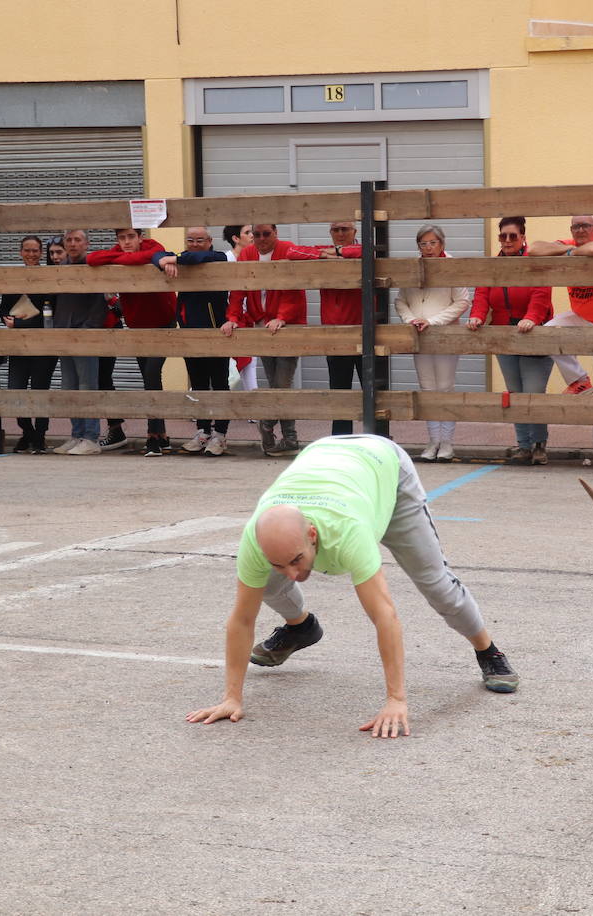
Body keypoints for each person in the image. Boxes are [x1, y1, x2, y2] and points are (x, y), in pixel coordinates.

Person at [185, 434, 520, 738]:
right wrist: (231, 697)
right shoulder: (255, 539)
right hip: (326, 458)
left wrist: (396, 699)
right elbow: (242, 618)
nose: (291, 572)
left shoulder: (349, 534)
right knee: (265, 584)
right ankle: (300, 628)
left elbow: (384, 615)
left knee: (436, 584)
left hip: (382, 466)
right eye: (279, 563)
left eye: (296, 560)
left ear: (313, 535)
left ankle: (488, 650)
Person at [527, 216, 593, 464]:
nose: (581, 230)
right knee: (550, 331)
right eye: (576, 226)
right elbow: (534, 249)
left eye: (586, 225)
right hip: (582, 316)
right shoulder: (569, 243)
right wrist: (569, 248)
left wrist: (567, 252)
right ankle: (580, 381)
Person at [224, 223, 317, 457]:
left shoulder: (287, 249)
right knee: (276, 381)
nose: (262, 239)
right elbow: (239, 289)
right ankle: (289, 439)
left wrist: (282, 317)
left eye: (267, 234)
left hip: (288, 325)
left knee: (282, 382)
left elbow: (293, 290)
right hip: (261, 324)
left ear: (276, 233)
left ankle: (266, 424)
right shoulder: (247, 254)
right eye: (257, 235)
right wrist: (233, 317)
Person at [466, 216, 554, 465]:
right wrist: (476, 316)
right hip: (503, 335)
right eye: (503, 236)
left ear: (523, 238)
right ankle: (523, 445)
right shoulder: (493, 266)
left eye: (512, 236)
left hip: (532, 335)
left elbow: (541, 294)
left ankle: (539, 444)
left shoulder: (535, 263)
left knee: (533, 393)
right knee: (515, 393)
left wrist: (531, 318)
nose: (507, 241)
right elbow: (482, 294)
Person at [87, 228, 176, 456]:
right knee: (148, 377)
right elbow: (92, 258)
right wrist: (125, 258)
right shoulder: (118, 251)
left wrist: (125, 259)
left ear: (140, 238)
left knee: (152, 375)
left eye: (130, 237)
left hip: (162, 323)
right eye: (121, 238)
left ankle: (153, 436)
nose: (126, 242)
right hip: (137, 325)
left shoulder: (153, 246)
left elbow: (156, 253)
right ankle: (163, 435)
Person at [395, 225, 473, 462]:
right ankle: (433, 440)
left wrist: (432, 321)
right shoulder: (412, 267)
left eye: (433, 243)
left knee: (445, 388)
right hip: (419, 335)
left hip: (445, 336)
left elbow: (462, 301)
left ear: (442, 244)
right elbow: (401, 300)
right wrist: (412, 321)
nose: (428, 248)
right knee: (427, 389)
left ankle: (447, 442)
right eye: (423, 244)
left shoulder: (452, 266)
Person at [154, 227, 233, 457]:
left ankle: (220, 434)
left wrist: (175, 259)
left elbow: (201, 257)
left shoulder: (218, 257)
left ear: (210, 241)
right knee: (197, 384)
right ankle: (203, 431)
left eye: (200, 240)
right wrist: (165, 260)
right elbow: (155, 256)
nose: (195, 244)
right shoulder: (181, 258)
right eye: (190, 240)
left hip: (215, 334)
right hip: (189, 334)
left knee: (219, 384)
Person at [51, 229, 109, 456]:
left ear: (87, 243)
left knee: (87, 386)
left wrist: (89, 328)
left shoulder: (93, 267)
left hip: (85, 335)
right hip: (63, 333)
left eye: (77, 240)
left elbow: (100, 303)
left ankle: (91, 437)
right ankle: (76, 435)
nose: (73, 244)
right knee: (69, 387)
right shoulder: (61, 268)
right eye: (69, 240)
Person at [0, 235, 56, 454]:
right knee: (16, 391)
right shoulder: (13, 278)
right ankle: (27, 432)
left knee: (40, 392)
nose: (31, 254)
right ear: (20, 252)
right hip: (18, 347)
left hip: (43, 346)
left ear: (41, 253)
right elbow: (3, 308)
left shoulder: (47, 278)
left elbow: (50, 314)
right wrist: (6, 318)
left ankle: (39, 437)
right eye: (27, 250)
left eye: (35, 250)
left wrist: (22, 322)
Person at [311, 220, 365, 437]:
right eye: (336, 230)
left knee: (372, 393)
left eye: (345, 229)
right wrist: (327, 255)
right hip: (335, 333)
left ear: (355, 231)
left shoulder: (363, 250)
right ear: (330, 232)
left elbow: (367, 250)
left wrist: (336, 252)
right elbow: (298, 251)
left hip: (365, 333)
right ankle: (342, 439)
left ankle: (376, 438)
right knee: (339, 390)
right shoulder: (320, 252)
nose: (340, 233)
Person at [223, 225, 259, 394]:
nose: (253, 235)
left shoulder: (254, 258)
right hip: (227, 319)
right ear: (235, 238)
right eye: (247, 233)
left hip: (248, 318)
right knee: (223, 365)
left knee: (250, 361)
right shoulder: (225, 259)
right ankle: (197, 398)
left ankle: (254, 404)